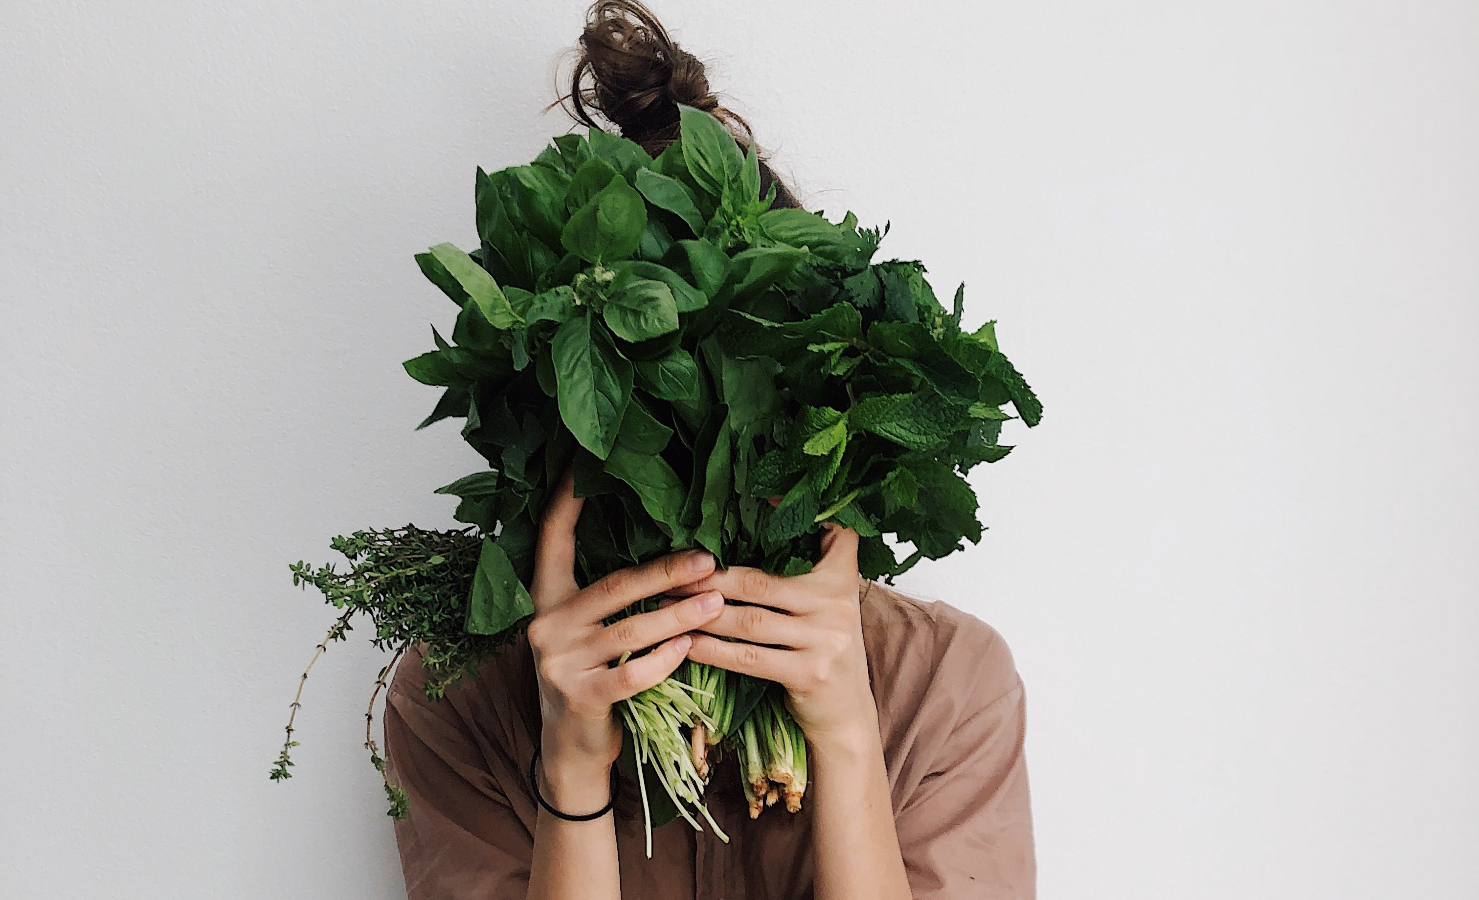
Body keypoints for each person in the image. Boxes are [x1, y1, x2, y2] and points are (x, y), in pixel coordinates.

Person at [381, 3, 1036, 898]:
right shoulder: (459, 697)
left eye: (736, 421)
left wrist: (846, 739)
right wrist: (570, 770)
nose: (692, 498)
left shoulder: (942, 685)